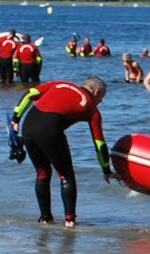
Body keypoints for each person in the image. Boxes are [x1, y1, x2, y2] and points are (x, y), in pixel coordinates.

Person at [10, 75, 113, 227]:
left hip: (28, 127)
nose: (101, 101)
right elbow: (99, 143)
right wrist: (106, 170)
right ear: (96, 91)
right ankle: (70, 220)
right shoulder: (91, 108)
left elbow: (30, 94)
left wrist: (15, 119)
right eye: (102, 97)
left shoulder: (59, 83)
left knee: (42, 173)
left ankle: (46, 218)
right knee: (66, 176)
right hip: (50, 131)